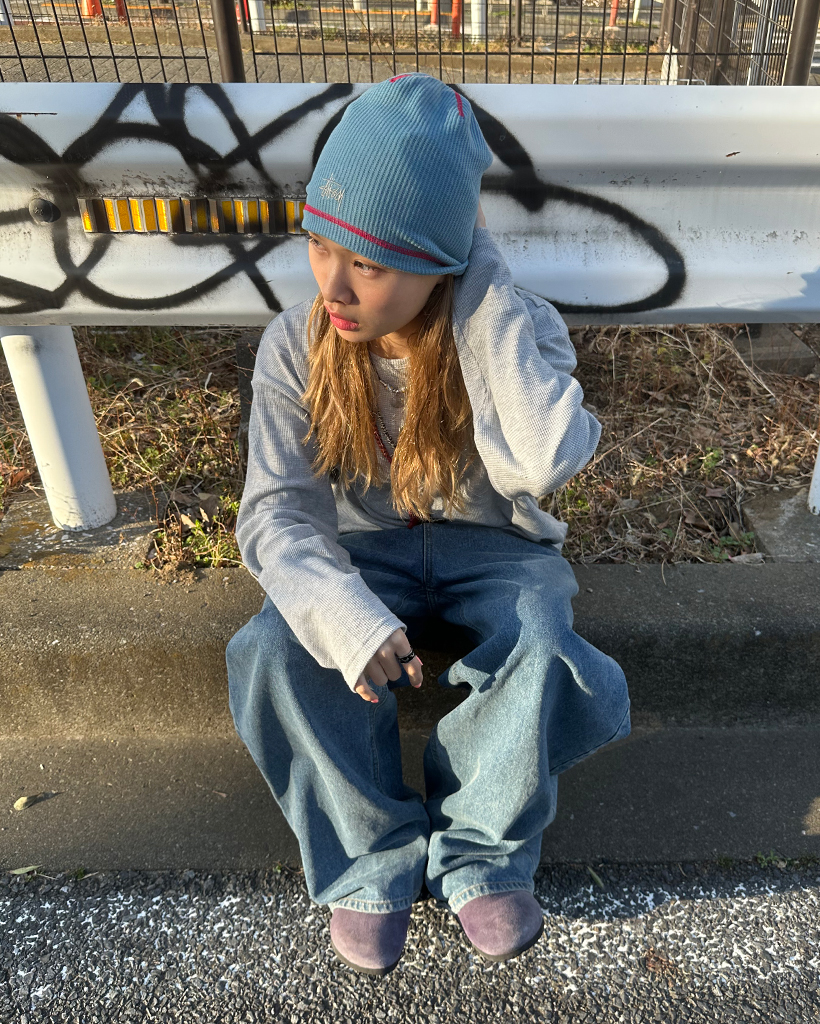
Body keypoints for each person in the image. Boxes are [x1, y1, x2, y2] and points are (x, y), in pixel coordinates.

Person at [226, 73, 631, 977]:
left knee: (538, 636)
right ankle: (369, 861)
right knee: (275, 648)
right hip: (364, 549)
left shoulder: (520, 330)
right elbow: (277, 512)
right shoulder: (297, 344)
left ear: (442, 261)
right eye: (320, 244)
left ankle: (484, 856)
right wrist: (346, 617)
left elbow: (542, 462)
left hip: (498, 550)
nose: (333, 285)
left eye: (369, 264)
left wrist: (479, 285)